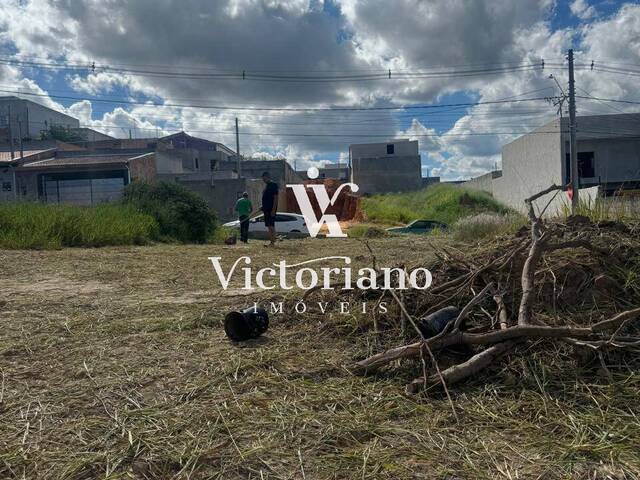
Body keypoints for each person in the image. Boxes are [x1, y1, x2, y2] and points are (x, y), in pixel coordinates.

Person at [261, 171, 278, 246]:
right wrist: (263, 206)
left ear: (268, 177)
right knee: (268, 225)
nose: (263, 180)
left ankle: (272, 242)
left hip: (271, 209)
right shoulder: (267, 186)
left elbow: (276, 197)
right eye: (263, 179)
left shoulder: (273, 185)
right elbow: (266, 199)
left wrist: (273, 209)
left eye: (264, 178)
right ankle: (271, 241)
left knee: (271, 226)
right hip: (266, 209)